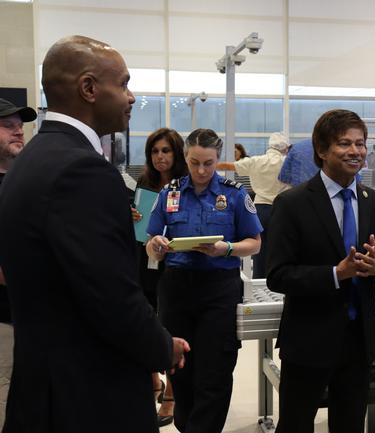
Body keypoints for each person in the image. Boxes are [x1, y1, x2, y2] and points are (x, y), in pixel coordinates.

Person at [0, 35, 190, 433]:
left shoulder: (32, 159)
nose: (131, 97)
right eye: (123, 84)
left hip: (43, 388)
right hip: (89, 396)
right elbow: (112, 296)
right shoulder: (82, 170)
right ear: (88, 88)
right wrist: (162, 347)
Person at [266, 109, 375, 433]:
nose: (355, 151)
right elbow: (278, 275)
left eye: (360, 143)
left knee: (350, 425)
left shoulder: (373, 201)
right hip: (308, 340)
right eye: (345, 143)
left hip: (358, 341)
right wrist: (335, 274)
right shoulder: (292, 204)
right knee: (296, 425)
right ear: (322, 150)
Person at [146, 128, 262, 433]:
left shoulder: (234, 194)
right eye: (194, 162)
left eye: (208, 163)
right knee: (180, 368)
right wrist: (156, 245)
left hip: (219, 288)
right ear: (185, 157)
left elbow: (255, 243)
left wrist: (227, 249)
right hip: (176, 288)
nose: (201, 170)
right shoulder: (169, 193)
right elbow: (151, 242)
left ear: (218, 159)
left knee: (215, 371)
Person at [131, 127, 187, 427]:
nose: (160, 157)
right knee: (143, 318)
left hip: (174, 262)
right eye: (154, 151)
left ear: (177, 153)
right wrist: (131, 215)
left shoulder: (186, 185)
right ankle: (152, 380)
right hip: (143, 260)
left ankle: (172, 393)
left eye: (166, 150)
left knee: (170, 323)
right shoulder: (143, 184)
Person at [0, 97, 36, 428]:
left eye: (20, 126)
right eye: (7, 125)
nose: (18, 131)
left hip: (34, 321)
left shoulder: (26, 181)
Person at [216, 132, 290, 278]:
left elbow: (229, 166)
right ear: (285, 148)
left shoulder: (257, 161)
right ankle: (279, 280)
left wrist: (206, 165)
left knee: (259, 250)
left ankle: (259, 281)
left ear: (269, 146)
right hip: (282, 209)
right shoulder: (287, 162)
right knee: (282, 249)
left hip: (261, 208)